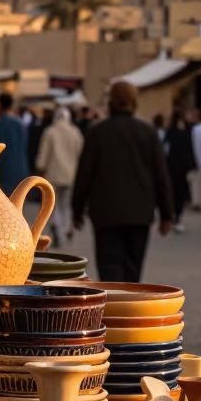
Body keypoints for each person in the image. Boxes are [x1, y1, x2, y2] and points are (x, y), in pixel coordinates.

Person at [72, 82, 174, 282]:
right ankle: (129, 311)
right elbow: (161, 175)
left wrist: (77, 210)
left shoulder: (97, 133)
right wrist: (166, 214)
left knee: (110, 271)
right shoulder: (148, 132)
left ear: (110, 102)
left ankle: (113, 310)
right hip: (140, 213)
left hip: (106, 213)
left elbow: (84, 174)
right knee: (132, 273)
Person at [36, 107, 85, 247]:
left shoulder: (50, 132)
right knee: (66, 204)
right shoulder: (75, 133)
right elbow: (81, 153)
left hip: (53, 174)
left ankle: (56, 227)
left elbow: (43, 154)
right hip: (70, 174)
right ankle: (64, 229)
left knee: (52, 204)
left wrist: (40, 167)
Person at [0, 92, 29, 196]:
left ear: (0, 105)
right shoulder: (20, 124)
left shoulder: (0, 125)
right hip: (21, 169)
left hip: (5, 170)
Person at [164, 110, 195, 232]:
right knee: (180, 191)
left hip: (171, 165)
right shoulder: (185, 132)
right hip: (182, 166)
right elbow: (190, 148)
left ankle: (171, 214)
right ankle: (178, 216)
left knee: (171, 190)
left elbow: (165, 147)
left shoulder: (170, 131)